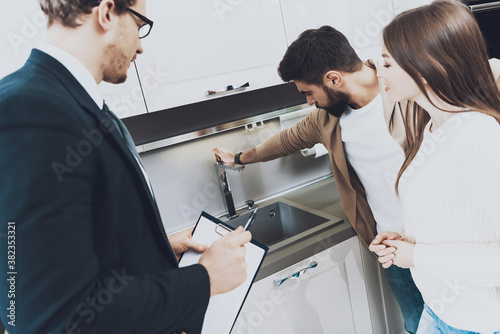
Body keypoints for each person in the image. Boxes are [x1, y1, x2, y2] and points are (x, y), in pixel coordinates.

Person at [213, 25, 500, 333]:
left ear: (333, 79)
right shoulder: (327, 119)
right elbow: (287, 140)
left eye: (309, 92)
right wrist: (240, 158)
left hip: (445, 245)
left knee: (468, 320)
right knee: (418, 324)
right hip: (392, 243)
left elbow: (485, 72)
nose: (308, 102)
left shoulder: (408, 90)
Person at [0, 0, 251, 333]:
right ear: (106, 13)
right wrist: (203, 280)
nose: (142, 46)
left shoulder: (75, 101)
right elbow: (61, 316)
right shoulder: (31, 109)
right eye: (139, 24)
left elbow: (76, 251)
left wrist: (156, 250)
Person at [373, 1, 500, 333]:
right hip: (440, 313)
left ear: (426, 64)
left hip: (476, 324)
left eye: (386, 62)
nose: (379, 72)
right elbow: (461, 220)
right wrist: (407, 241)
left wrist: (415, 257)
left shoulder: (478, 137)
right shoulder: (431, 128)